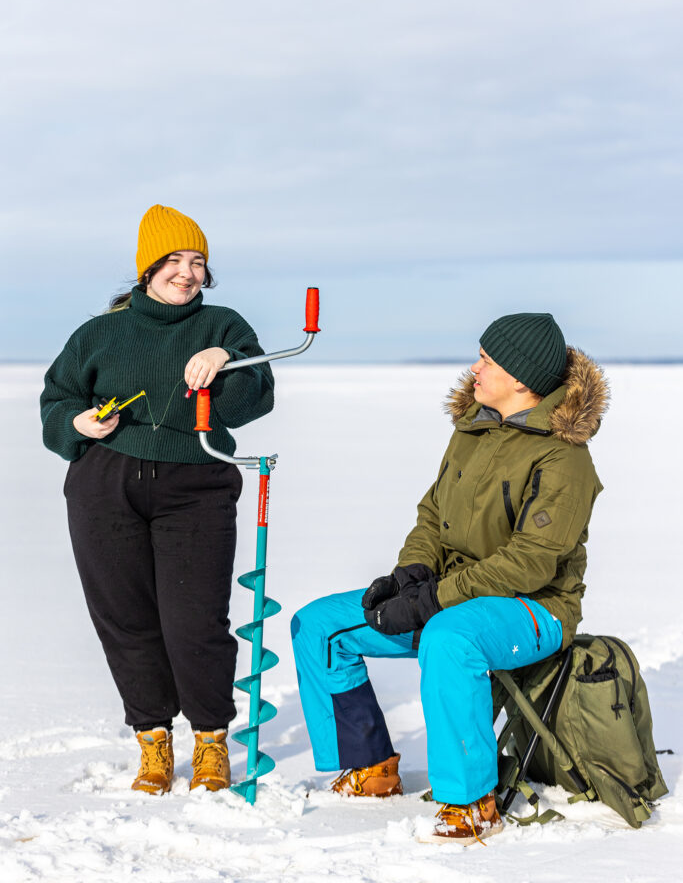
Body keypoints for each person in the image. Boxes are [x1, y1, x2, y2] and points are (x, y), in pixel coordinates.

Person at [291, 313, 609, 844]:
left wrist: (431, 600)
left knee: (448, 637)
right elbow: (431, 513)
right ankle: (370, 767)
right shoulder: (473, 428)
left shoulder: (564, 458)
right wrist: (409, 573)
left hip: (537, 608)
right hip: (453, 590)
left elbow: (531, 562)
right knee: (320, 625)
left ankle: (471, 801)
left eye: (488, 360)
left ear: (523, 379)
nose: (475, 368)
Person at [40, 204, 274, 795]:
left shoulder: (223, 325)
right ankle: (152, 739)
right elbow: (54, 403)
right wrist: (78, 423)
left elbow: (254, 400)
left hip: (197, 485)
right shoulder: (98, 334)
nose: (188, 273)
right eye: (175, 260)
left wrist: (228, 361)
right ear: (147, 267)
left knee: (194, 620)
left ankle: (212, 739)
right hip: (105, 484)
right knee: (125, 618)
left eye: (198, 262)